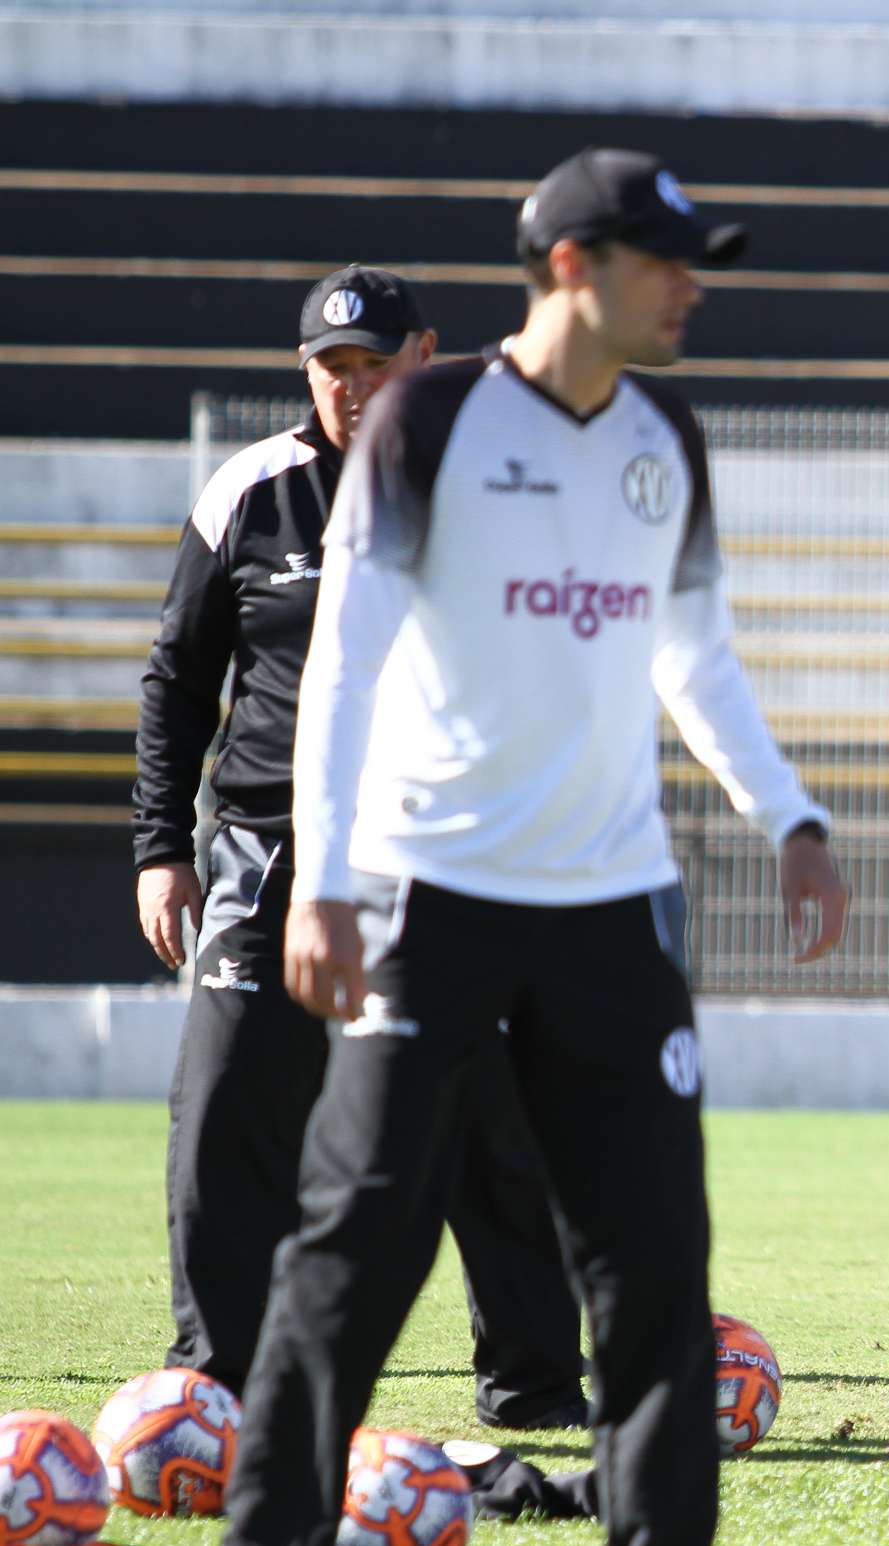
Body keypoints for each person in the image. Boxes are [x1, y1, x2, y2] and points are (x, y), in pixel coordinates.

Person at [180, 149, 847, 1546]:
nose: (690, 287)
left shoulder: (668, 433)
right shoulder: (428, 418)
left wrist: (793, 816)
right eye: (663, 260)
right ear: (570, 268)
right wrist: (330, 880)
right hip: (429, 894)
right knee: (355, 1241)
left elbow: (697, 657)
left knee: (654, 1262)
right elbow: (342, 660)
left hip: (612, 909)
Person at [134, 264, 588, 1431]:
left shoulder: (492, 488)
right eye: (330, 367)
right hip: (264, 849)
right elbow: (180, 681)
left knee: (490, 1115)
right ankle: (218, 1381)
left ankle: (533, 1386)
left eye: (373, 363)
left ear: (423, 355)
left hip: (437, 850)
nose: (350, 386)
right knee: (226, 1100)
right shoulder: (251, 491)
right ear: (306, 374)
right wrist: (159, 846)